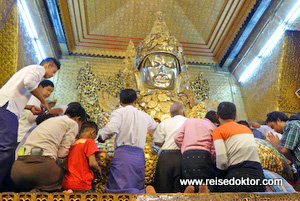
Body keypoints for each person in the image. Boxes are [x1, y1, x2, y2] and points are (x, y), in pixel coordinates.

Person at [0, 57, 60, 192]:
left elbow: (18, 93)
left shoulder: (29, 71)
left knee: (7, 149)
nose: (52, 75)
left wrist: (29, 107)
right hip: (8, 108)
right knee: (6, 148)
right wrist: (43, 101)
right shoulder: (38, 69)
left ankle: (5, 185)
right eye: (53, 71)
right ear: (48, 65)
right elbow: (29, 83)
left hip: (8, 107)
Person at [11, 102, 86, 192]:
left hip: (17, 170)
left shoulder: (51, 120)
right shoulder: (72, 123)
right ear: (78, 118)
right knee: (60, 180)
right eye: (81, 123)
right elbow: (62, 153)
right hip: (42, 169)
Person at [98, 89, 157, 194]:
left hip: (123, 155)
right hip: (138, 156)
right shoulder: (144, 115)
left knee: (119, 190)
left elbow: (111, 129)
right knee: (137, 187)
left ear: (120, 102)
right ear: (135, 101)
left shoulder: (119, 112)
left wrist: (101, 137)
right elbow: (157, 129)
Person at [213, 102, 265, 192]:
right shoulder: (247, 129)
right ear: (235, 116)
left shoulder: (218, 131)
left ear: (217, 115)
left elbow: (222, 162)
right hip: (258, 176)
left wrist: (217, 180)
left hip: (237, 176)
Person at [174, 111, 219, 193]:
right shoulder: (213, 127)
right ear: (216, 122)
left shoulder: (189, 121)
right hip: (204, 156)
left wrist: (185, 147)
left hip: (187, 156)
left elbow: (177, 137)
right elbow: (214, 148)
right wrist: (211, 158)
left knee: (189, 183)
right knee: (205, 185)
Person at [152, 102, 187, 193]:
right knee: (180, 189)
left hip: (165, 158)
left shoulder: (164, 123)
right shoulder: (189, 122)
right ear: (184, 112)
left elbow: (157, 142)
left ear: (171, 114)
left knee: (163, 189)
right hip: (183, 156)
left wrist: (167, 142)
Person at [265, 111, 300, 190]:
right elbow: (289, 154)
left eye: (272, 126)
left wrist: (275, 145)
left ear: (278, 120)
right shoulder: (286, 131)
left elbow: (284, 150)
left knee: (294, 194)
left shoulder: (292, 125)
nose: (274, 130)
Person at [63, 121, 101, 193]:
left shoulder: (73, 143)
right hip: (82, 184)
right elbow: (92, 163)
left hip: (68, 182)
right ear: (92, 132)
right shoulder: (89, 142)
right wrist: (98, 169)